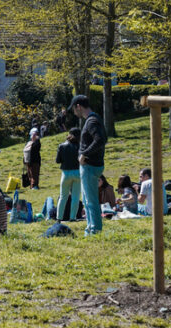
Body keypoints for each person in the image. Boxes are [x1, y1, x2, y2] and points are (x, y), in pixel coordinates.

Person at [71, 94, 107, 236]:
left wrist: (84, 154)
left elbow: (100, 140)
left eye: (74, 109)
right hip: (93, 165)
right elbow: (105, 138)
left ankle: (95, 231)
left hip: (90, 166)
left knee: (90, 201)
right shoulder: (96, 119)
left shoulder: (91, 121)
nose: (74, 112)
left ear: (79, 106)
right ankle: (90, 229)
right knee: (86, 200)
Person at [55, 128, 81, 222]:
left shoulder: (62, 146)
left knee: (63, 196)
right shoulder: (80, 146)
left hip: (66, 173)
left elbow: (58, 161)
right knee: (75, 197)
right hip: (78, 172)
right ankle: (72, 217)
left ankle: (59, 218)